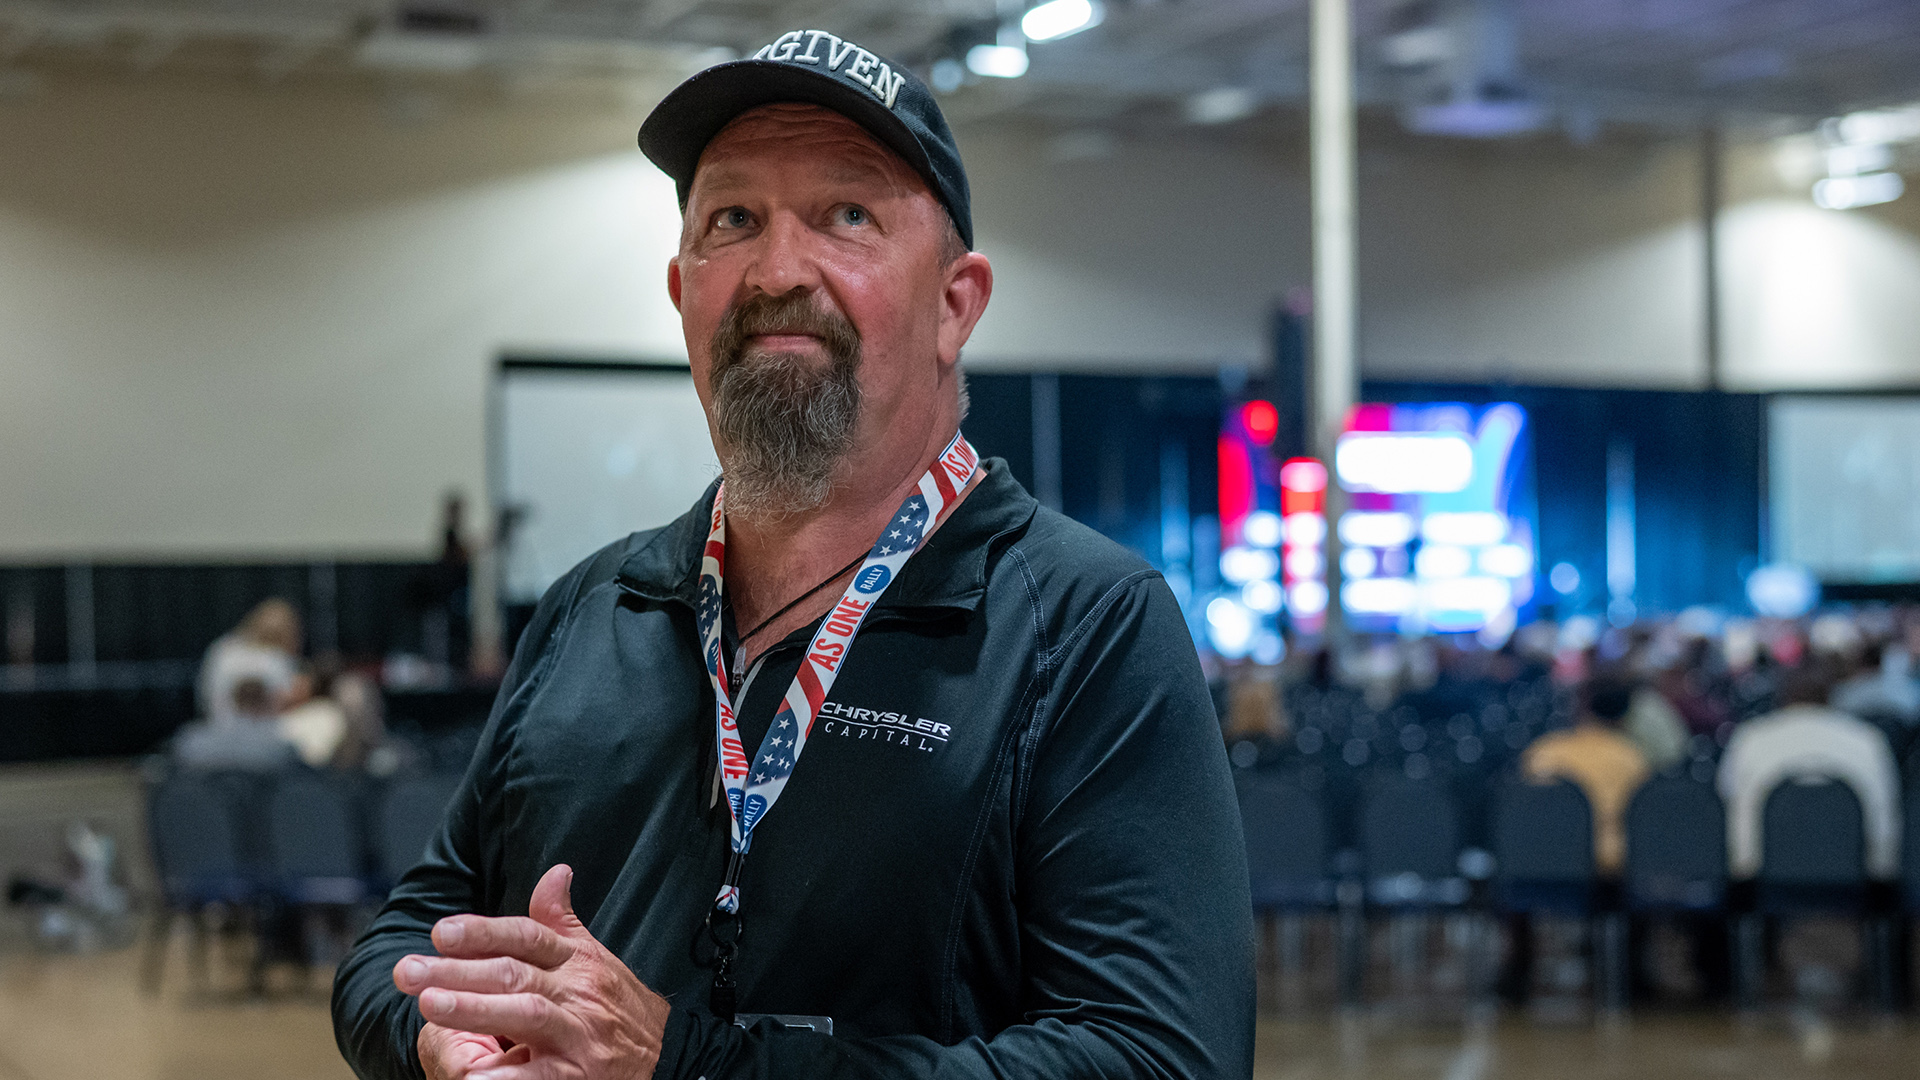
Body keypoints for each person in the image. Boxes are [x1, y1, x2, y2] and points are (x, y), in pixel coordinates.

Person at [333, 31, 1252, 1080]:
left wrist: (688, 1064)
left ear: (956, 304)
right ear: (684, 294)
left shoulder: (1087, 628)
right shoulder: (598, 606)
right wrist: (438, 1033)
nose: (777, 270)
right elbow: (405, 943)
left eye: (846, 216)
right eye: (733, 220)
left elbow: (1162, 1058)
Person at [1717, 671, 1900, 881]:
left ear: (1782, 697)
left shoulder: (1749, 739)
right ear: (1830, 696)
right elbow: (1886, 826)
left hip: (1764, 885)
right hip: (1853, 887)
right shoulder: (1868, 740)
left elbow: (1725, 805)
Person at [1519, 675, 1651, 876]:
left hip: (1543, 862)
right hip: (1609, 870)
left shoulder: (1542, 751)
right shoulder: (1633, 759)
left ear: (1580, 707)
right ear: (1624, 714)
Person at [198, 598, 304, 730]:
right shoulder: (277, 659)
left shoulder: (222, 649)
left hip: (219, 730)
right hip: (267, 736)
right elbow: (287, 702)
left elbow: (205, 696)